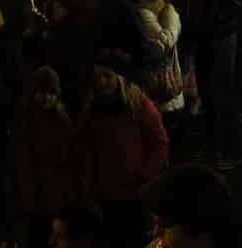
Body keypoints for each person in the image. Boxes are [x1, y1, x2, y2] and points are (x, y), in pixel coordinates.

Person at [74, 64, 169, 247]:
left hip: (134, 193)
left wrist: (143, 173)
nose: (102, 82)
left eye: (107, 76)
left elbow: (159, 142)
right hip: (104, 193)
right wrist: (87, 181)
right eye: (98, 77)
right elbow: (83, 148)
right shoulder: (91, 110)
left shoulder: (138, 105)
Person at [182, 0, 241, 165]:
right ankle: (213, 144)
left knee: (220, 90)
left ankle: (225, 147)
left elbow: (235, 0)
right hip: (204, 33)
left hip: (219, 36)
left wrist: (217, 24)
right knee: (207, 91)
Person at [11, 65, 77, 248]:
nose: (47, 97)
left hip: (57, 200)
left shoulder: (62, 121)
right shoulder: (25, 122)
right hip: (33, 201)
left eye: (51, 93)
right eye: (42, 92)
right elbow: (23, 164)